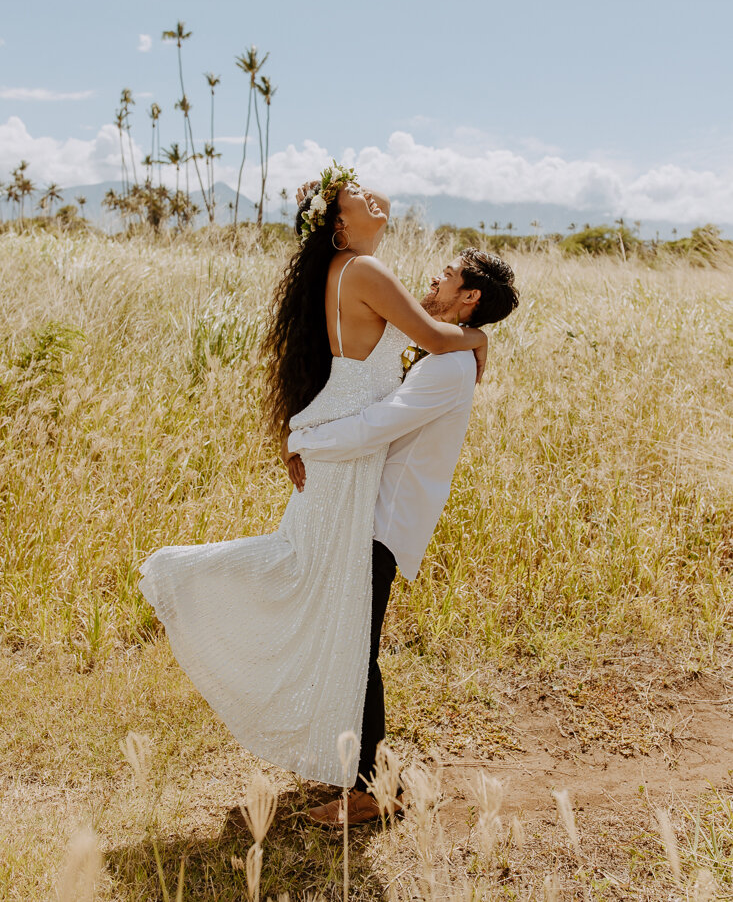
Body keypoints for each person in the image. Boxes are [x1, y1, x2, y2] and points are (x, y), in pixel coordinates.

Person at [138, 163, 488, 792]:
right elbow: (436, 338)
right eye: (349, 195)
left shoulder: (342, 271)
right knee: (313, 584)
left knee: (317, 583)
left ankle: (350, 763)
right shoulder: (365, 269)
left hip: (340, 437)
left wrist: (302, 433)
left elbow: (353, 367)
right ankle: (185, 576)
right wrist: (478, 338)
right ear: (339, 225)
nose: (363, 190)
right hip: (345, 449)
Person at [284, 247, 519, 825]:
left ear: (470, 297)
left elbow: (377, 427)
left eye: (448, 274)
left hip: (383, 522)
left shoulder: (448, 364)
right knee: (348, 643)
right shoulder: (450, 349)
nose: (433, 276)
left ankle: (373, 790)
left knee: (357, 651)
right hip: (370, 514)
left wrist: (303, 441)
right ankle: (358, 771)